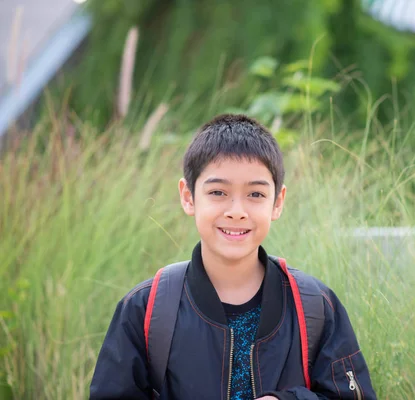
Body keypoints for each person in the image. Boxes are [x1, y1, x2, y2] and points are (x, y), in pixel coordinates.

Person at [89, 114, 376, 399]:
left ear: (278, 203)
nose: (236, 210)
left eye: (255, 195)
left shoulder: (315, 307)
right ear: (188, 196)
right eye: (218, 192)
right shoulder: (146, 309)